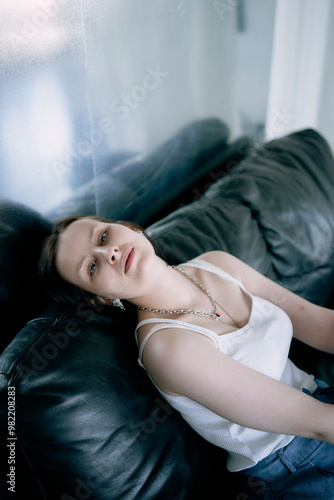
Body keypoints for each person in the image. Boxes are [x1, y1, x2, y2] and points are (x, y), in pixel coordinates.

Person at [39, 214, 334, 499]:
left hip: (320, 396)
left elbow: (322, 327)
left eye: (103, 236)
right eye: (91, 267)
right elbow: (318, 422)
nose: (109, 253)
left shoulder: (216, 264)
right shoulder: (166, 348)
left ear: (129, 228)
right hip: (296, 463)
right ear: (101, 297)